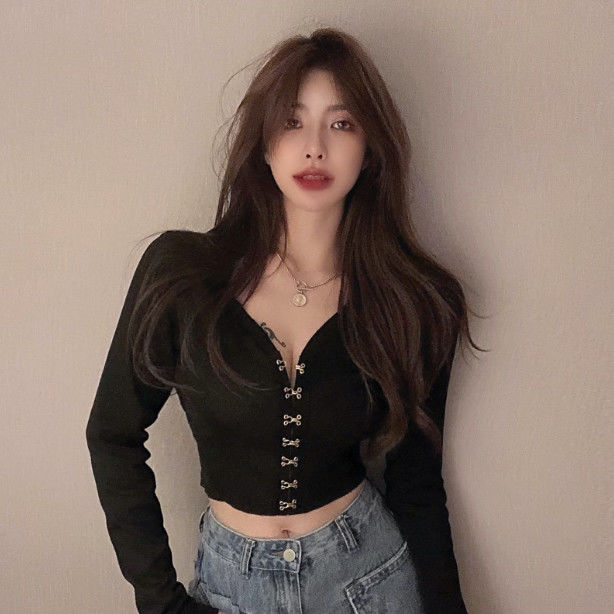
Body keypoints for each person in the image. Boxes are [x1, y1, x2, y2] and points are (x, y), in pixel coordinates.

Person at [86, 27, 484, 614]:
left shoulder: (413, 301)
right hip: (232, 589)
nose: (314, 148)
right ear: (264, 144)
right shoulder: (182, 275)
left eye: (341, 124)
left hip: (370, 582)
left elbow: (417, 482)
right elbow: (111, 434)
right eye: (292, 122)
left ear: (369, 148)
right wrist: (161, 602)